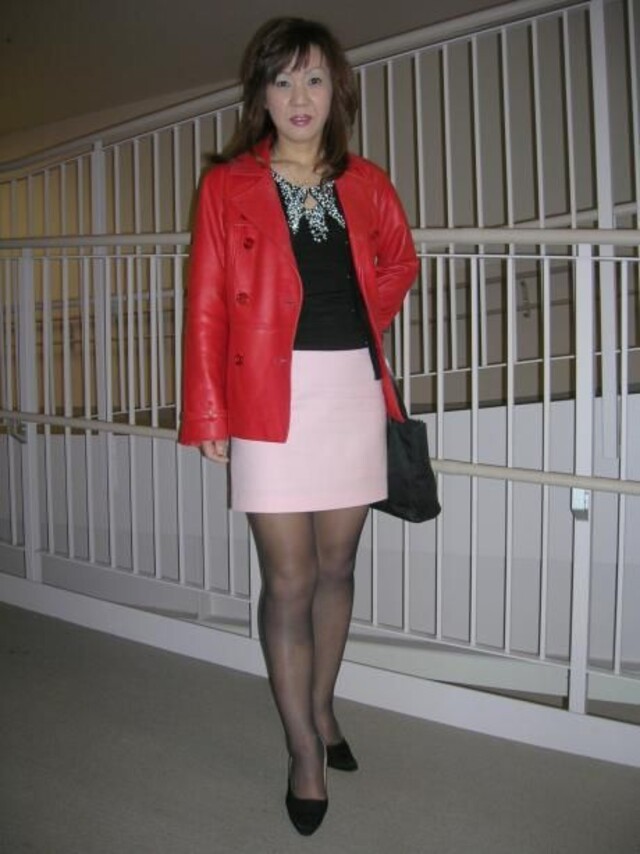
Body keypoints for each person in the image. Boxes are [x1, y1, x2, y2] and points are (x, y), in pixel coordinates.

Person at [179, 17, 418, 836]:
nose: (299, 96)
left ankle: (321, 707)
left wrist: (364, 312)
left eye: (313, 78)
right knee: (288, 581)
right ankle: (302, 751)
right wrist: (209, 410)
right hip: (266, 397)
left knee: (337, 566)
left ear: (336, 90)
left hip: (350, 389)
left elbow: (401, 261)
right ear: (261, 95)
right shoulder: (227, 186)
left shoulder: (367, 182)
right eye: (282, 80)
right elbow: (206, 304)